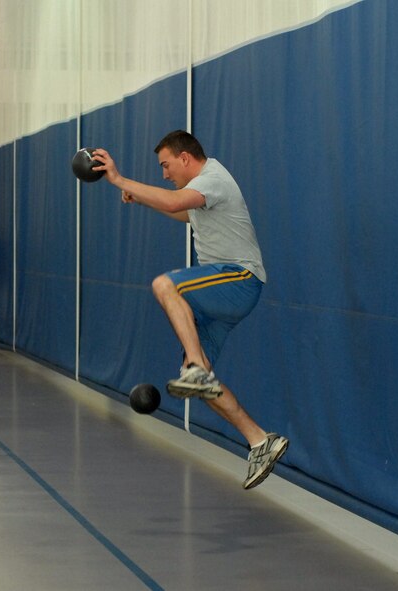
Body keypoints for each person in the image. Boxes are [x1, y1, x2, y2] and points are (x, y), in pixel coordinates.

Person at [91, 130, 288, 490]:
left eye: (166, 166)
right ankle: (260, 440)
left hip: (238, 279)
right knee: (201, 385)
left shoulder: (213, 178)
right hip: (225, 292)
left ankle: (195, 367)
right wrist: (141, 196)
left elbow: (172, 202)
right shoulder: (201, 192)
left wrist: (119, 179)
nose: (164, 174)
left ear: (185, 158)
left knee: (165, 285)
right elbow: (183, 213)